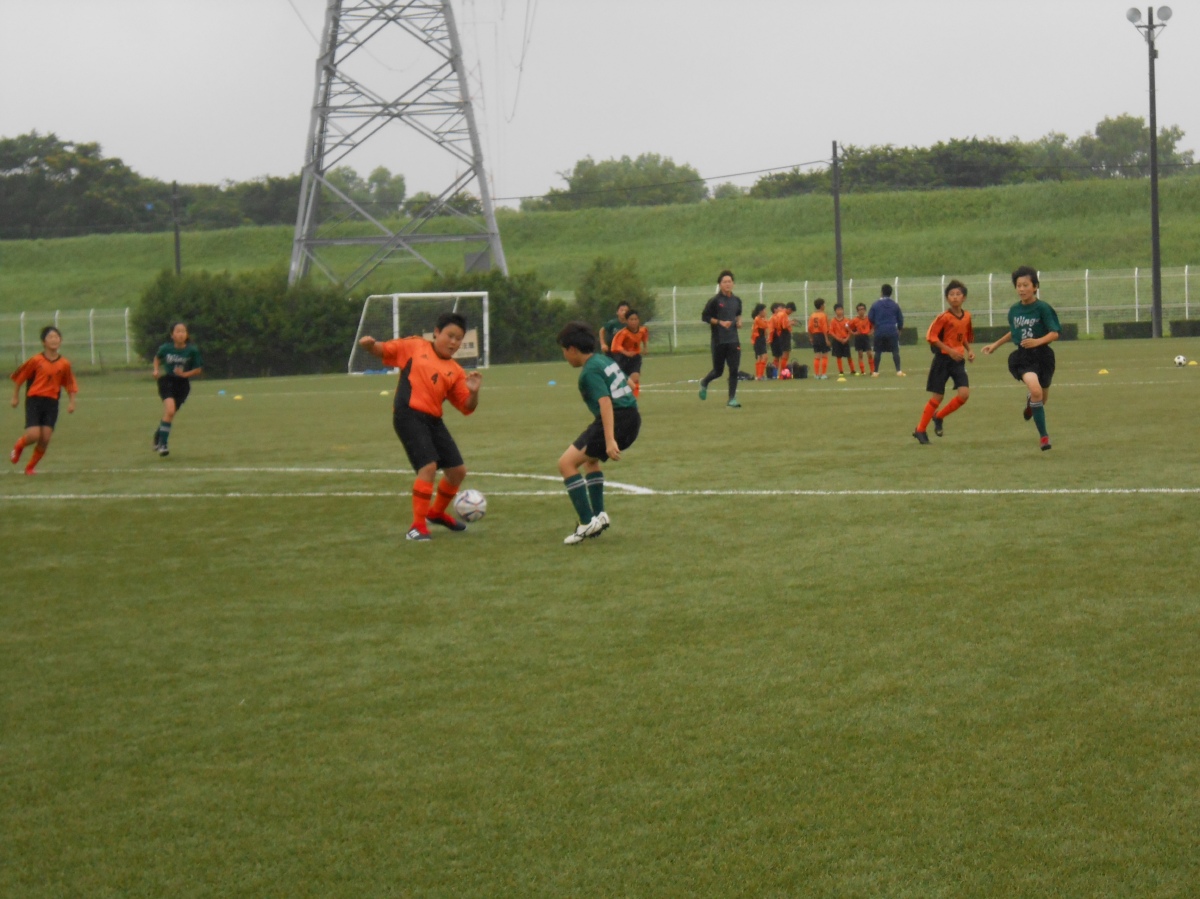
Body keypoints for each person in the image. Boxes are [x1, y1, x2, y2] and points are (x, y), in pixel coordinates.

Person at [358, 311, 482, 541]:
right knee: (428, 467)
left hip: (433, 420)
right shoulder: (415, 346)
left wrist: (473, 392)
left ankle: (436, 513)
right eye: (450, 336)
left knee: (457, 472)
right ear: (436, 332)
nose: (454, 342)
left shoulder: (455, 371)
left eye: (458, 339)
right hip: (408, 415)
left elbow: (467, 407)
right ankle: (416, 527)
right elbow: (384, 350)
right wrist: (369, 346)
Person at [557, 321, 641, 545]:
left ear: (572, 349)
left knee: (566, 464)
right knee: (590, 461)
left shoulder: (589, 372)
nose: (565, 356)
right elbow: (629, 384)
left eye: (564, 351)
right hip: (632, 417)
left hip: (617, 420)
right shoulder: (604, 360)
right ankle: (599, 515)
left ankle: (586, 522)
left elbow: (605, 402)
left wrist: (610, 439)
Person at [982, 266, 1061, 451]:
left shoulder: (1043, 308)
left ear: (1035, 287)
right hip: (1024, 357)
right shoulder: (1014, 310)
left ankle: (1030, 404)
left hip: (1044, 357)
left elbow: (1055, 333)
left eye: (1026, 285)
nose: (1022, 289)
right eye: (1018, 285)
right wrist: (995, 345)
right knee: (1036, 391)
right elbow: (1014, 332)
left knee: (1041, 398)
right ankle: (1044, 437)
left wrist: (1037, 341)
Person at [10, 325, 78, 475]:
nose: (54, 340)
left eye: (56, 337)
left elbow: (69, 383)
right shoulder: (36, 360)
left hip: (51, 403)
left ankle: (30, 468)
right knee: (34, 435)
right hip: (34, 400)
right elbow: (20, 377)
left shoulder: (64, 364)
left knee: (45, 438)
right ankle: (19, 445)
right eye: (50, 337)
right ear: (43, 342)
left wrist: (72, 402)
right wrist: (15, 396)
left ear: (60, 341)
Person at [913, 280, 975, 445]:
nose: (955, 297)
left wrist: (969, 350)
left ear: (964, 297)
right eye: (951, 294)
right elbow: (931, 337)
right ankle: (920, 430)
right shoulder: (944, 317)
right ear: (947, 298)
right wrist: (950, 351)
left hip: (958, 361)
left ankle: (939, 416)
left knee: (964, 394)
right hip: (942, 360)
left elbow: (963, 336)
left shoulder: (967, 316)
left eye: (958, 294)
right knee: (938, 397)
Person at [152, 322, 203, 457]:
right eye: (178, 331)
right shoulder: (166, 348)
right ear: (172, 335)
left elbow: (198, 369)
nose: (181, 334)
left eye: (183, 331)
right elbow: (157, 358)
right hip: (167, 381)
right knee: (169, 411)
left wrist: (184, 374)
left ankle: (158, 436)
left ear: (187, 334)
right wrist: (156, 370)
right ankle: (163, 445)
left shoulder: (192, 351)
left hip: (182, 385)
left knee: (170, 414)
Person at [698, 270, 744, 407]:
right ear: (720, 284)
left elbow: (738, 314)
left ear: (733, 283)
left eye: (729, 281)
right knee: (718, 371)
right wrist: (720, 322)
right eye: (724, 282)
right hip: (719, 340)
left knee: (734, 369)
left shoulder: (737, 300)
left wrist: (739, 321)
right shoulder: (715, 301)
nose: (727, 284)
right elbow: (705, 317)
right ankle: (704, 382)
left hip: (733, 340)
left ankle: (732, 399)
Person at [609, 308, 649, 397]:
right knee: (622, 381)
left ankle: (633, 400)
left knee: (635, 377)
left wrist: (645, 347)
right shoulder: (623, 333)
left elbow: (644, 336)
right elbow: (616, 346)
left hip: (635, 357)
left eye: (635, 319)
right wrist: (626, 353)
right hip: (622, 358)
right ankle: (620, 396)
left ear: (638, 320)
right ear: (626, 321)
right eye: (631, 319)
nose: (634, 322)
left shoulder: (642, 330)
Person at [868, 284, 905, 377]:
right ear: (891, 293)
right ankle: (898, 371)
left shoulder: (876, 304)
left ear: (881, 292)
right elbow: (900, 319)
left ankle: (875, 372)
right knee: (895, 351)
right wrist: (899, 328)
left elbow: (870, 317)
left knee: (878, 351)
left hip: (879, 330)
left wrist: (876, 323)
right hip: (892, 330)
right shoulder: (895, 305)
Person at [828, 303, 853, 377]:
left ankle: (852, 370)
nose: (840, 311)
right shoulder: (833, 321)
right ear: (835, 311)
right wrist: (838, 338)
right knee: (838, 356)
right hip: (837, 341)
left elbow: (850, 331)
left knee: (849, 356)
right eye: (838, 310)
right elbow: (831, 332)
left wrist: (847, 338)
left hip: (845, 340)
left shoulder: (847, 320)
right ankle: (841, 371)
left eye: (841, 310)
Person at [808, 298, 831, 379]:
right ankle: (823, 374)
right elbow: (824, 328)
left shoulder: (812, 315)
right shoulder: (823, 315)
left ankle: (816, 374)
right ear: (821, 306)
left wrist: (811, 338)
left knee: (817, 355)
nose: (825, 306)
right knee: (824, 355)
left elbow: (809, 328)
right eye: (824, 304)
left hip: (815, 336)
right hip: (822, 335)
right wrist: (826, 339)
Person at [848, 302, 874, 375]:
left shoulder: (868, 319)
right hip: (858, 338)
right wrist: (853, 333)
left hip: (866, 337)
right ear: (857, 311)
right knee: (860, 354)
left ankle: (872, 370)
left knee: (869, 354)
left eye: (862, 309)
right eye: (859, 310)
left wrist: (871, 332)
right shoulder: (855, 320)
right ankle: (862, 371)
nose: (861, 311)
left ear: (865, 310)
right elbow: (847, 326)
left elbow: (873, 326)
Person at [768, 301, 792, 377]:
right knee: (777, 356)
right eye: (780, 308)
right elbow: (772, 330)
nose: (782, 309)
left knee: (781, 355)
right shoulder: (773, 318)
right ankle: (775, 374)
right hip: (775, 338)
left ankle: (780, 372)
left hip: (779, 338)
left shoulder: (780, 316)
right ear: (775, 309)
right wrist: (770, 339)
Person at [749, 302, 770, 380]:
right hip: (758, 339)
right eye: (764, 310)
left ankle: (759, 375)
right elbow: (765, 326)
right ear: (760, 311)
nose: (766, 312)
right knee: (764, 356)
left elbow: (765, 329)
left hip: (759, 339)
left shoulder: (759, 319)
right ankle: (760, 375)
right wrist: (766, 319)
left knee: (760, 357)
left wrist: (767, 337)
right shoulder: (757, 319)